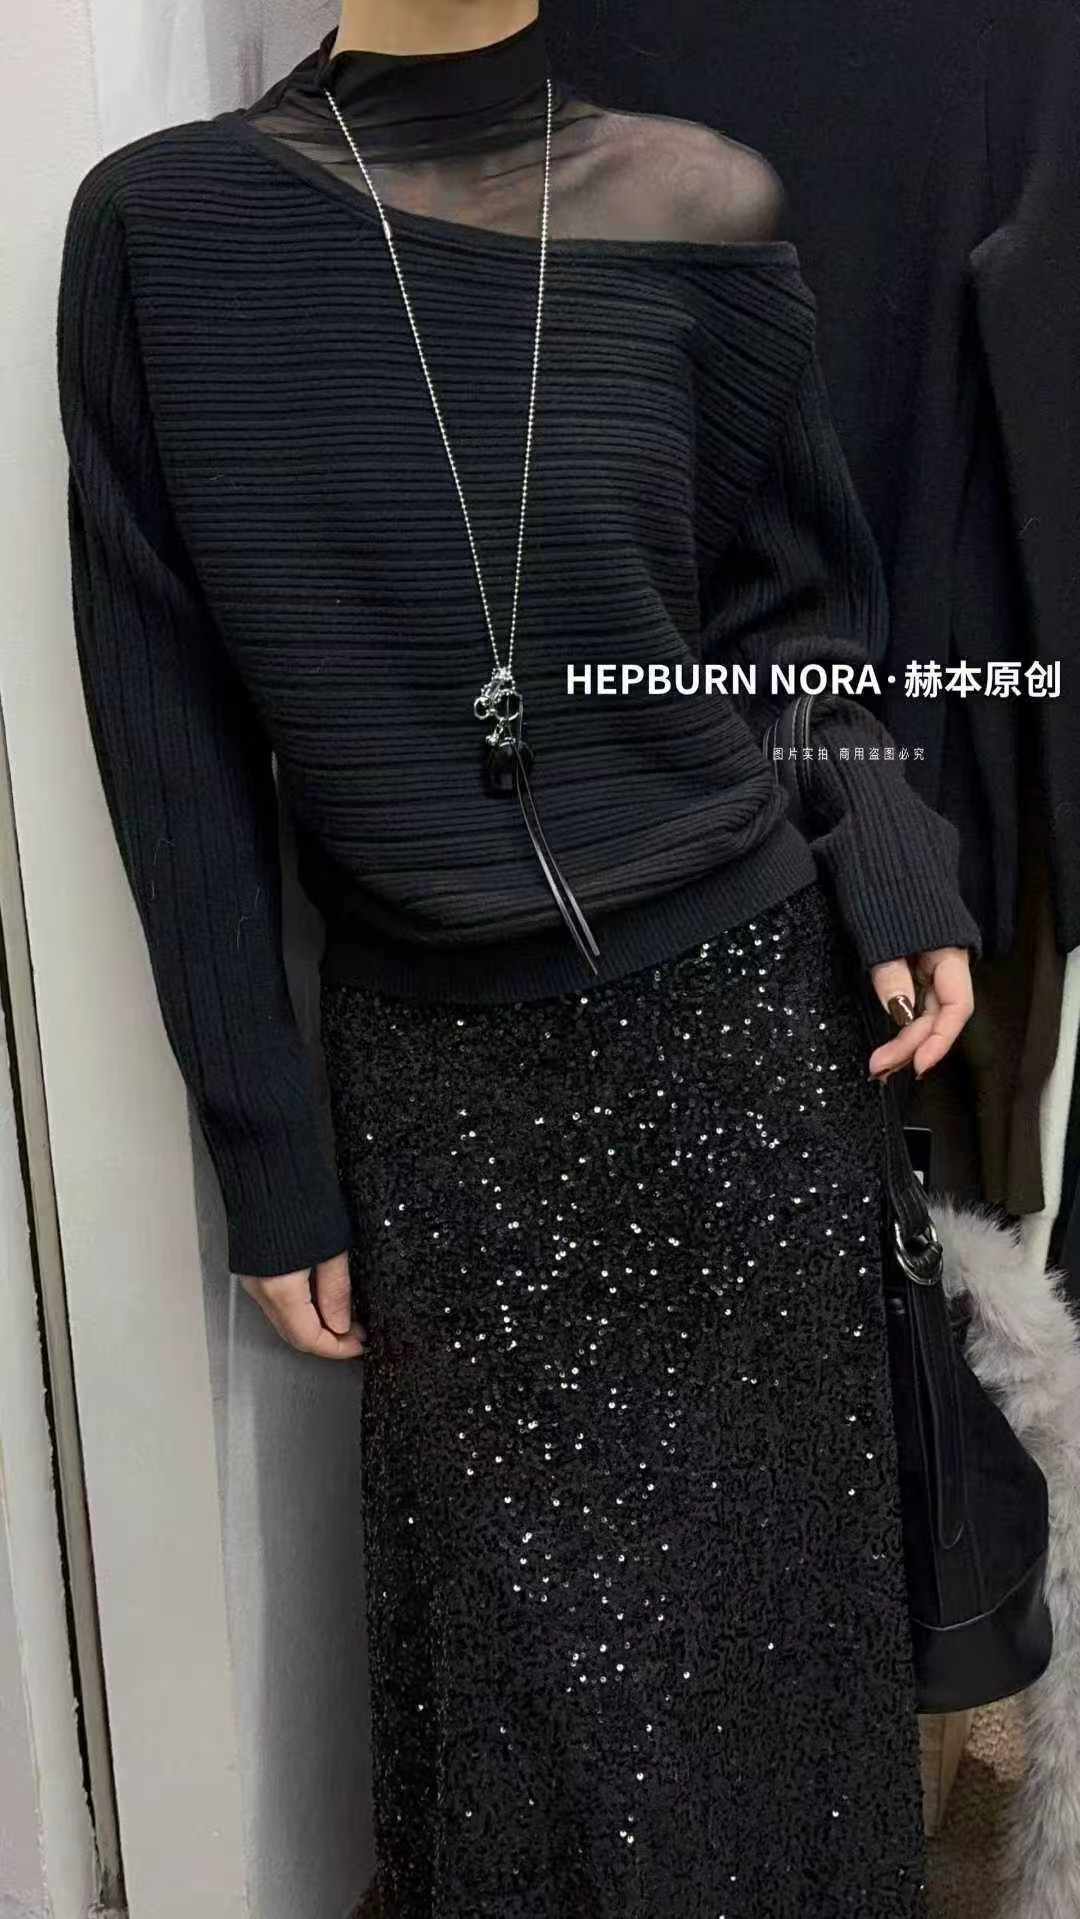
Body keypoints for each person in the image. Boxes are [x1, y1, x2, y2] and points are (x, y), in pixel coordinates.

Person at [56, 1, 981, 1911]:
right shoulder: (167, 230)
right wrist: (266, 1146)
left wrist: (892, 857)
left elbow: (792, 609)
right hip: (445, 1095)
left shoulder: (698, 201)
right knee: (521, 1710)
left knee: (784, 1657)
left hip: (744, 1046)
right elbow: (168, 734)